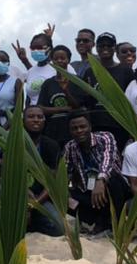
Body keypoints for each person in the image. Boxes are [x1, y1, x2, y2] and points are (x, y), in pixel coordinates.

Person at [63, 111, 129, 233]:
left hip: (114, 188)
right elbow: (66, 172)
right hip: (90, 190)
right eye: (74, 128)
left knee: (112, 179)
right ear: (70, 131)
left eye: (82, 127)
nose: (79, 131)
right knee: (64, 197)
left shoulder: (105, 137)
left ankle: (118, 224)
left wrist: (101, 179)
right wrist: (66, 192)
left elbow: (108, 160)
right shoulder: (70, 147)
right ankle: (98, 221)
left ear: (90, 126)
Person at [84, 32, 134, 147]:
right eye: (101, 46)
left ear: (115, 48)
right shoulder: (90, 72)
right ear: (96, 48)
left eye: (109, 45)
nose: (105, 48)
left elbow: (130, 99)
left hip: (119, 124)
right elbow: (86, 100)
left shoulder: (126, 71)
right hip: (96, 124)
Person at [21, 105, 65, 236]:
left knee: (59, 228)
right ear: (23, 120)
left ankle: (33, 221)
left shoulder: (51, 145)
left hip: (41, 198)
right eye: (31, 117)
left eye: (40, 117)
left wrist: (33, 205)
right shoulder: (14, 141)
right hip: (18, 194)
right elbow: (0, 171)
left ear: (44, 121)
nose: (36, 120)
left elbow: (52, 183)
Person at [37, 45, 90, 148]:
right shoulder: (48, 83)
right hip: (52, 131)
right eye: (56, 59)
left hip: (73, 131)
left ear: (68, 60)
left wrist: (66, 91)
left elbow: (77, 107)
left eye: (62, 58)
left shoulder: (77, 81)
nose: (59, 61)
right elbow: (41, 108)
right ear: (52, 61)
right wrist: (62, 109)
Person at [21, 32, 56, 106]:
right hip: (33, 111)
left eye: (39, 48)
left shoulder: (59, 68)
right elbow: (29, 97)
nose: (36, 50)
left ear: (49, 48)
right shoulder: (30, 71)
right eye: (33, 48)